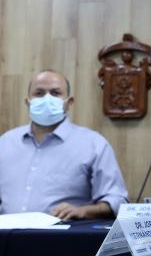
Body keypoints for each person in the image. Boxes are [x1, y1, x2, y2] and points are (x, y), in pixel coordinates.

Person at [0, 70, 128, 220]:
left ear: (69, 102)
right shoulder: (6, 143)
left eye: (55, 93)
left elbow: (117, 200)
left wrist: (84, 211)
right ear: (28, 102)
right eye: (39, 93)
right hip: (6, 233)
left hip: (64, 232)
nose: (47, 99)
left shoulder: (93, 144)